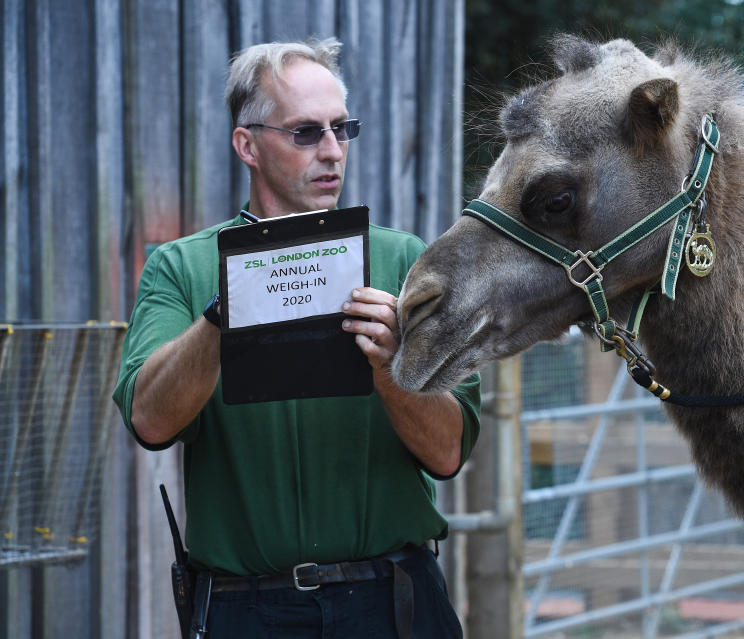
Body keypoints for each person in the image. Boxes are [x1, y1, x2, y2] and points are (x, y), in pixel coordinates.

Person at [113, 37, 480, 639]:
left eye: (342, 129)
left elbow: (447, 454)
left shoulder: (406, 260)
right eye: (306, 133)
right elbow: (150, 423)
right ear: (247, 146)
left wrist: (392, 367)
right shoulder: (182, 268)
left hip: (392, 601)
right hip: (244, 607)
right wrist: (218, 319)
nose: (333, 152)